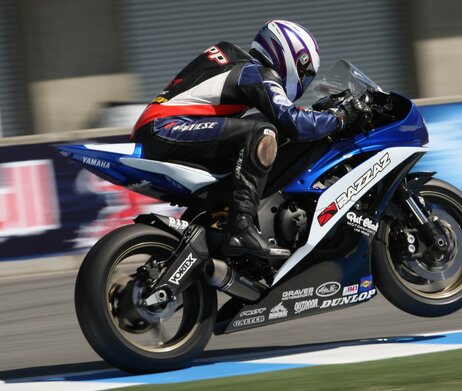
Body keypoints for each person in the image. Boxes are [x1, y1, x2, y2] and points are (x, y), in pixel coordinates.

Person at [131, 19, 370, 260]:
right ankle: (241, 226)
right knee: (261, 132)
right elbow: (294, 122)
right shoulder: (254, 71)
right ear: (289, 54)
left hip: (166, 129)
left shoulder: (239, 67)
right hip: (167, 128)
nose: (304, 79)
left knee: (260, 127)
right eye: (304, 71)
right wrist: (339, 116)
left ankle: (216, 221)